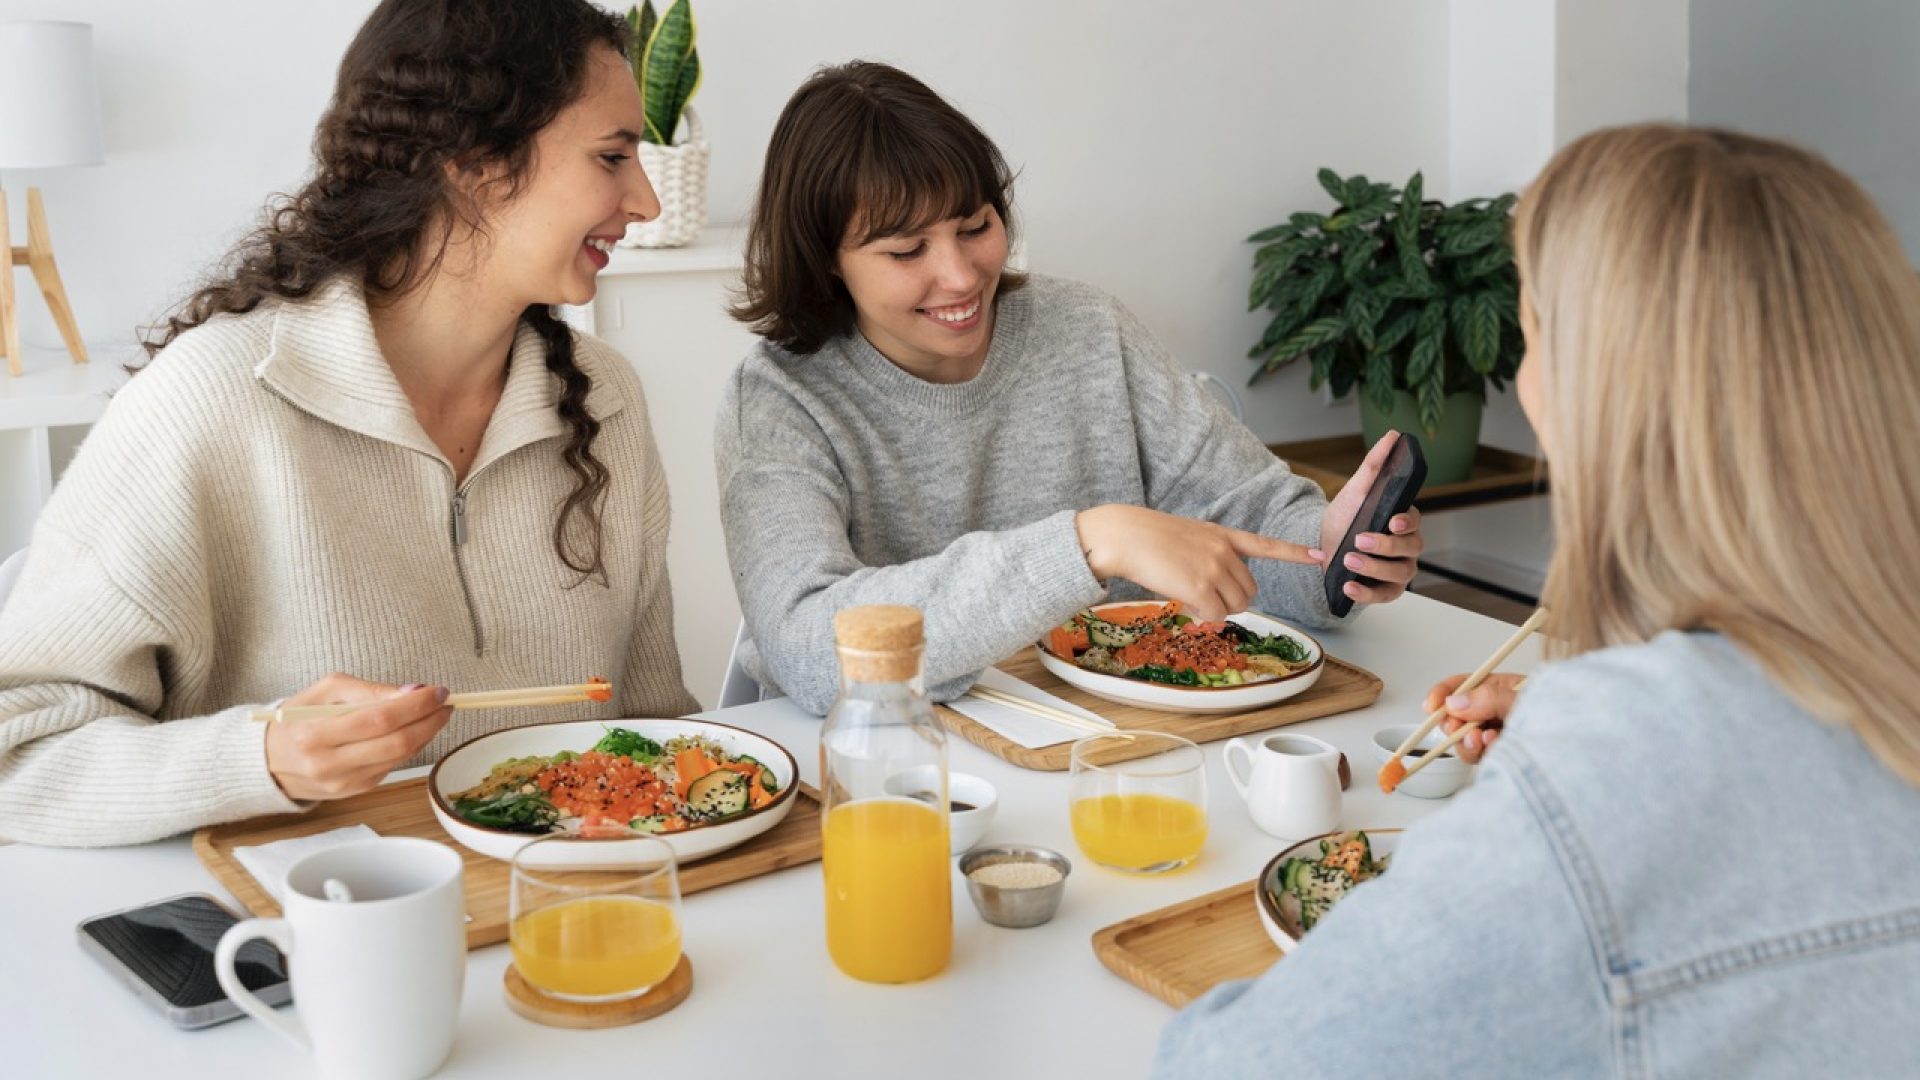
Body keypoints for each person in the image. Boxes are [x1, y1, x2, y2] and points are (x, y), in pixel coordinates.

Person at [1154, 125, 1920, 1077]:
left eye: (1535, 331)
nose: (1521, 375)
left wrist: (1588, 760)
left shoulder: (1618, 779)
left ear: (1598, 390)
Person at [0, 0, 698, 848]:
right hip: (302, 915)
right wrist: (259, 758)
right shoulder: (214, 399)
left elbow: (656, 725)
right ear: (473, 163)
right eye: (613, 156)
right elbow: (17, 747)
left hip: (578, 901)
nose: (645, 201)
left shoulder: (604, 398)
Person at [718, 61, 1424, 714]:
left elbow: (1245, 516)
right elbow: (806, 648)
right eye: (907, 250)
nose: (961, 276)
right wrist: (1087, 544)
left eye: (976, 226)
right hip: (893, 761)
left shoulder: (1087, 328)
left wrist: (1329, 551)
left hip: (1111, 742)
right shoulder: (782, 398)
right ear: (827, 259)